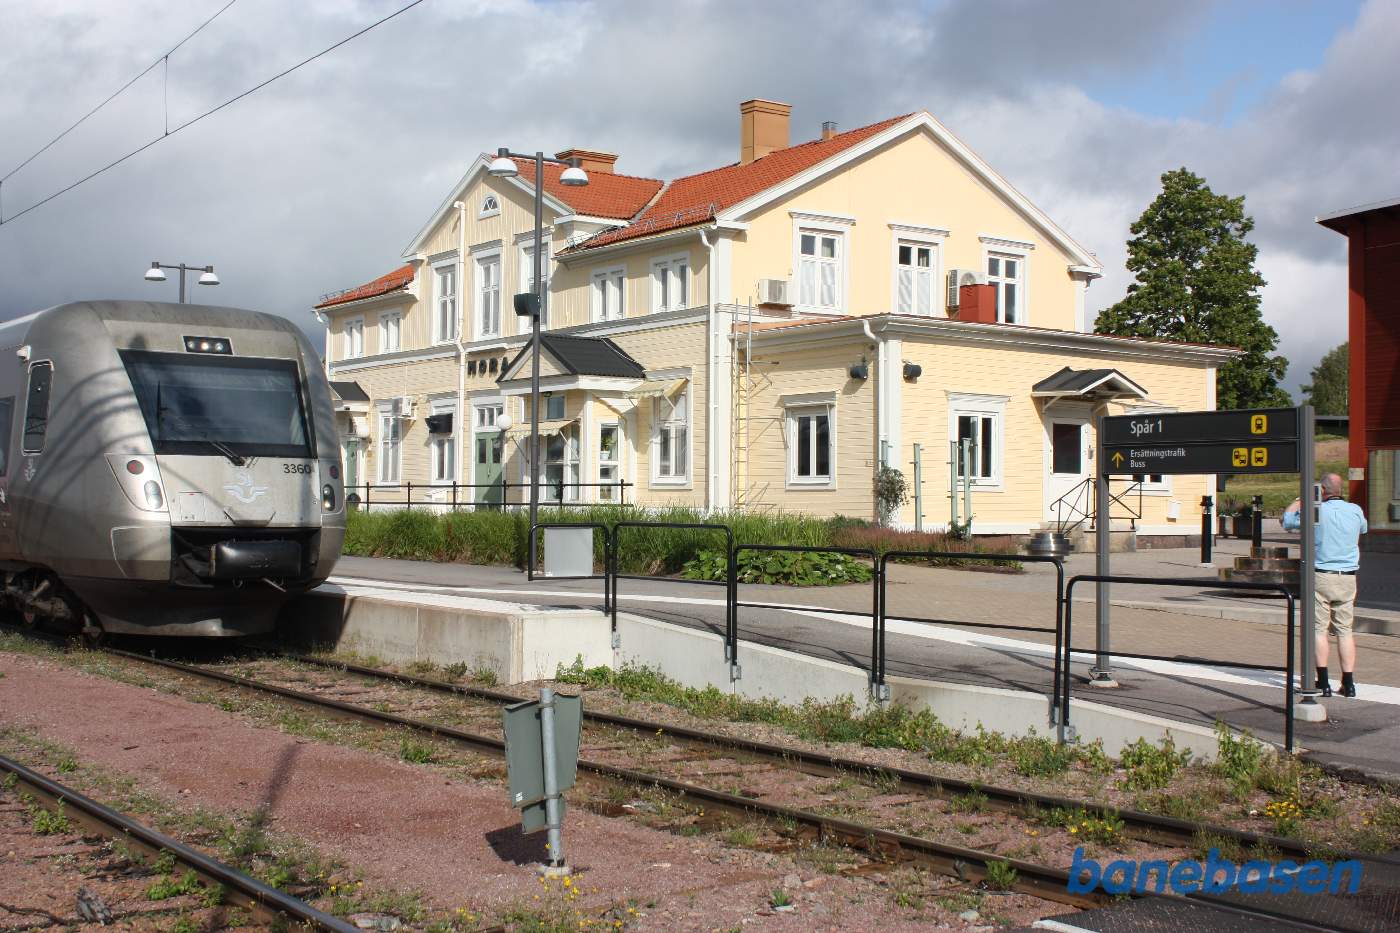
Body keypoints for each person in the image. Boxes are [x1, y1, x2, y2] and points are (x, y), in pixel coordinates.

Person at [1283, 473, 1368, 697]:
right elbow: (1363, 529)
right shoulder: (1355, 510)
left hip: (1321, 575)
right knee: (1344, 630)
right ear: (1341, 489)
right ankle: (1348, 683)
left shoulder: (1316, 511)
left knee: (1318, 629)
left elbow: (1288, 521)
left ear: (1321, 491)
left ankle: (1323, 682)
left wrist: (1301, 499)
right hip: (1348, 577)